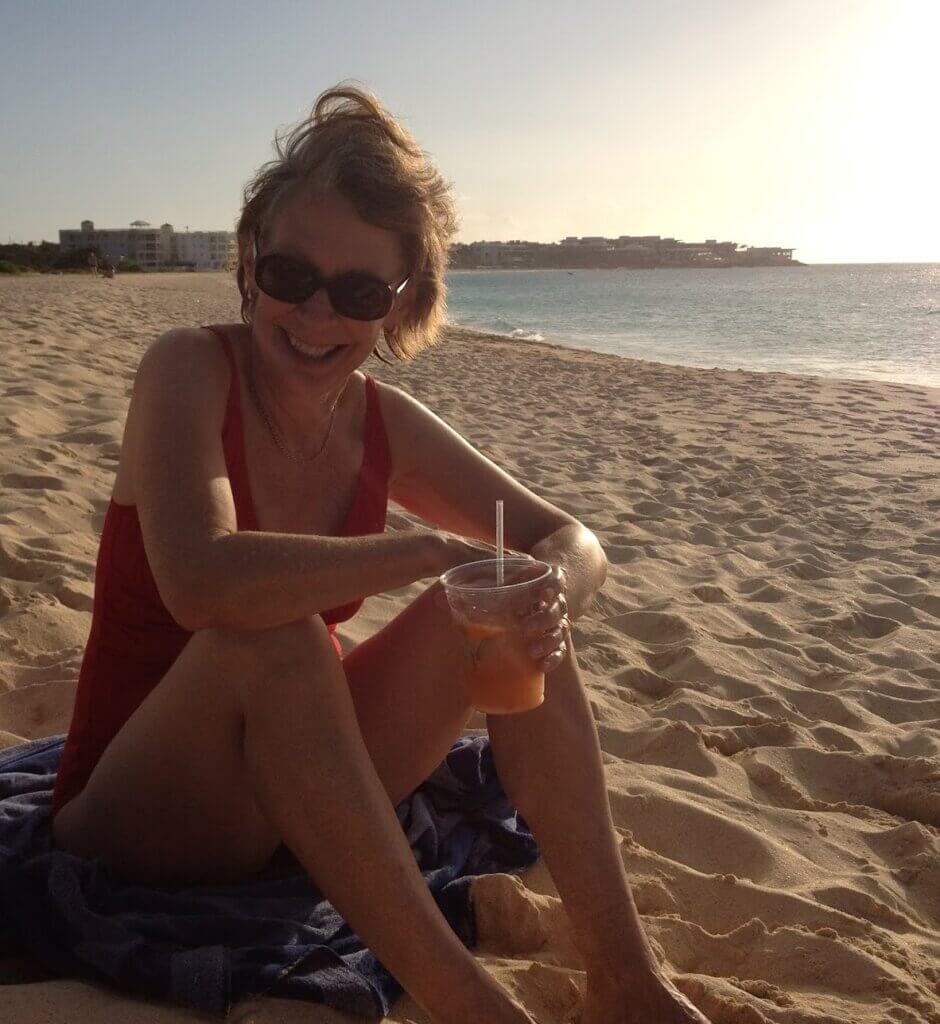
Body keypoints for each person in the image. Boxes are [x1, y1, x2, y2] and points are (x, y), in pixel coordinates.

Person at [50, 86, 710, 1024]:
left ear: (403, 303)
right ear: (247, 263)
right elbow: (201, 580)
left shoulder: (383, 424)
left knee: (517, 607)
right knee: (273, 639)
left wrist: (547, 585)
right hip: (137, 804)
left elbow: (575, 539)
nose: (317, 314)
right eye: (289, 275)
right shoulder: (188, 371)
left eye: (358, 291)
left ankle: (625, 978)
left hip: (293, 802)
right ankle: (468, 1003)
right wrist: (418, 553)